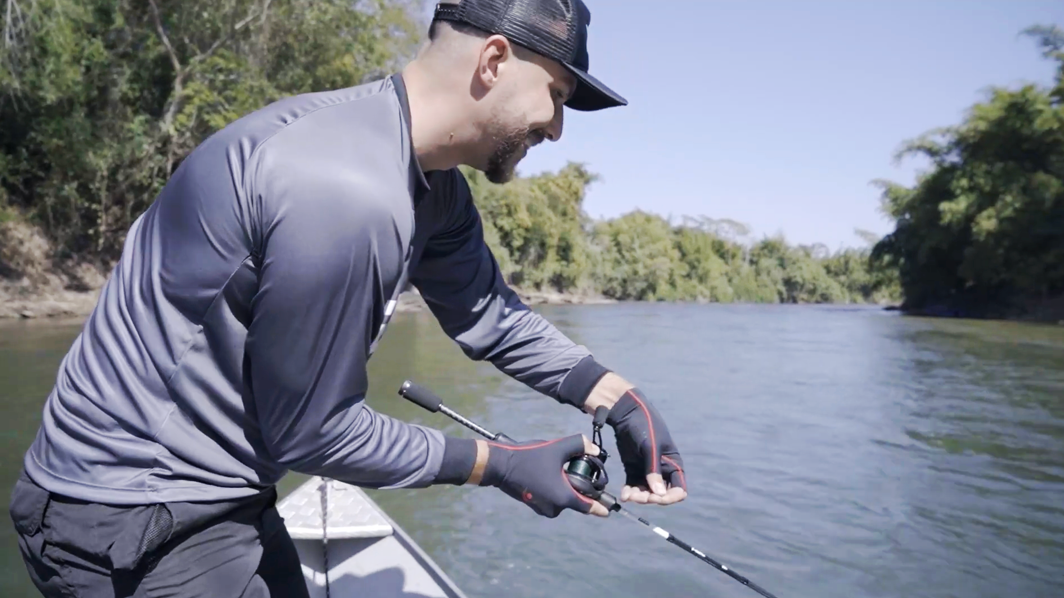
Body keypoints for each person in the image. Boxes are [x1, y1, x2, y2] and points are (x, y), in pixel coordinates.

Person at [9, 0, 687, 595]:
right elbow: (314, 431)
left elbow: (491, 318)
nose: (557, 128)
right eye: (557, 95)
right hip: (124, 514)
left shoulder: (432, 185)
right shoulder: (344, 190)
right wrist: (499, 464)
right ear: (494, 59)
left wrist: (618, 398)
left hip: (222, 490)